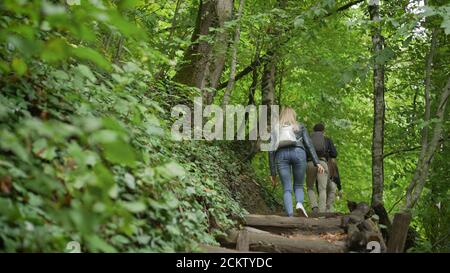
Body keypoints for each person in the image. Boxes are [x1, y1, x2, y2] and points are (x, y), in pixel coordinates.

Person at [268, 107, 324, 217]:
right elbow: (309, 145)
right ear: (294, 116)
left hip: (281, 155)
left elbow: (270, 151)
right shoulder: (300, 126)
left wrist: (273, 173)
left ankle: (290, 215)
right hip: (298, 153)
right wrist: (317, 162)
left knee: (287, 189)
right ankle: (299, 203)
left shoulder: (275, 128)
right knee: (298, 185)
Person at [306, 123, 338, 214]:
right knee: (322, 189)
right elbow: (334, 154)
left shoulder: (308, 139)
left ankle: (314, 206)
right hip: (322, 163)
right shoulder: (327, 140)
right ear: (323, 131)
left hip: (310, 163)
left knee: (309, 187)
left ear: (313, 131)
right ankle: (322, 212)